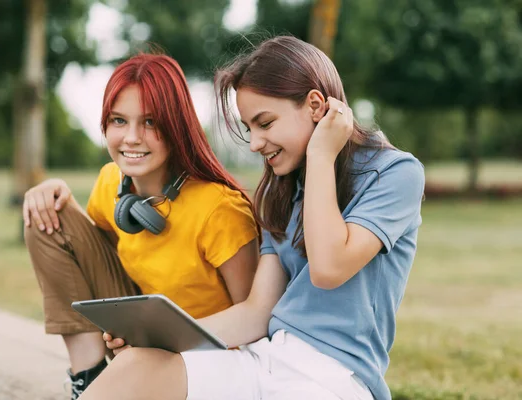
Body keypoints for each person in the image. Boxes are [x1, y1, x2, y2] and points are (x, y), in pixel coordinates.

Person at [80, 35, 425, 400]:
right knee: (137, 367)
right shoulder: (283, 190)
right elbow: (257, 312)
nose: (255, 143)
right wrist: (154, 341)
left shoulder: (395, 173)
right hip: (266, 361)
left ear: (314, 105)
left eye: (265, 123)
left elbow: (328, 268)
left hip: (335, 378)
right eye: (250, 128)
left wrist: (323, 155)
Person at [23, 53, 259, 399]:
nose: (132, 137)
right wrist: (55, 196)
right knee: (46, 219)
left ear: (177, 125)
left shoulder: (220, 210)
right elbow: (88, 263)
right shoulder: (110, 183)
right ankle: (88, 376)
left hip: (205, 360)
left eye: (150, 122)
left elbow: (255, 319)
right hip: (141, 333)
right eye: (119, 121)